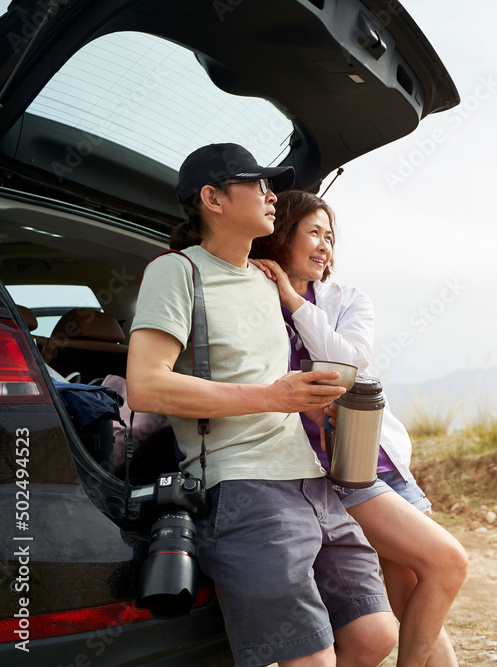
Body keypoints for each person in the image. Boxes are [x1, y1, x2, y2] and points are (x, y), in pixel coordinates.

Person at [126, 144, 397, 667]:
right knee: (312, 660)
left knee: (375, 635)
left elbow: (263, 378)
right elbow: (145, 386)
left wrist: (315, 407)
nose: (272, 196)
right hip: (245, 486)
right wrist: (273, 398)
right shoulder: (176, 271)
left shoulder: (265, 278)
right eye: (258, 185)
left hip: (312, 480)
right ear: (213, 198)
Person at [251, 190, 468, 667]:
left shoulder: (347, 300)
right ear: (282, 234)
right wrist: (280, 297)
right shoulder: (253, 296)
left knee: (413, 585)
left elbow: (347, 364)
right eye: (313, 233)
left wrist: (292, 298)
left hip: (378, 456)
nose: (325, 246)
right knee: (445, 562)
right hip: (335, 470)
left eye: (330, 237)